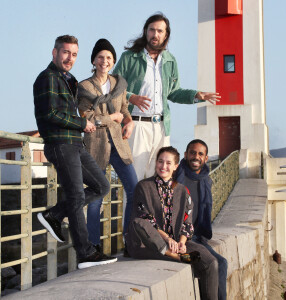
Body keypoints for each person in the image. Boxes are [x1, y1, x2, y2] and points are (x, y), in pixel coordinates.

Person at [34, 35, 117, 269]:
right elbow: (51, 114)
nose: (69, 58)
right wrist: (82, 124)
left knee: (102, 186)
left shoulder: (70, 80)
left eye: (74, 54)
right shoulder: (47, 78)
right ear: (54, 52)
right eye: (65, 52)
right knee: (77, 196)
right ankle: (85, 254)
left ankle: (54, 214)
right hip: (60, 144)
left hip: (75, 144)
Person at [113, 13, 220, 181]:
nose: (155, 35)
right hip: (136, 125)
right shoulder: (129, 57)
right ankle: (133, 209)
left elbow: (173, 92)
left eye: (160, 31)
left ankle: (156, 209)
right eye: (152, 30)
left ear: (166, 35)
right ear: (145, 32)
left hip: (163, 127)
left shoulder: (170, 61)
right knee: (135, 179)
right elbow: (113, 87)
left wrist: (196, 95)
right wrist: (131, 97)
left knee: (160, 179)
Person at [126, 146, 219, 300]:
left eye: (168, 163)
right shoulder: (143, 186)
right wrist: (168, 240)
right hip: (149, 243)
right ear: (156, 163)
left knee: (211, 262)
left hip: (176, 243)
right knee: (139, 222)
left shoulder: (182, 191)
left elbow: (187, 223)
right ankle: (176, 257)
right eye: (160, 161)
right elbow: (146, 219)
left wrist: (182, 243)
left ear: (176, 166)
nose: (163, 166)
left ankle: (179, 253)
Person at [77, 39, 138, 248]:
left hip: (119, 145)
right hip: (96, 147)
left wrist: (129, 122)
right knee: (96, 198)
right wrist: (112, 117)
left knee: (134, 189)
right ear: (94, 60)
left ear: (113, 61)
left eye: (109, 57)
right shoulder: (83, 87)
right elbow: (88, 118)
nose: (105, 61)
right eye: (101, 57)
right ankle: (93, 247)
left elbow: (125, 109)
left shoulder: (119, 83)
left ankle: (129, 239)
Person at [176, 139, 228, 300]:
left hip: (198, 237)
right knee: (214, 263)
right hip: (180, 240)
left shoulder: (206, 180)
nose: (195, 156)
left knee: (222, 263)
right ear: (185, 155)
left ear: (206, 158)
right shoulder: (176, 177)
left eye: (200, 154)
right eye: (192, 152)